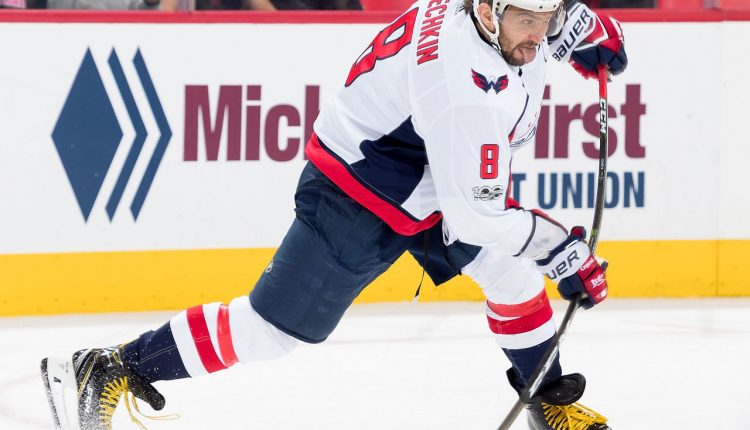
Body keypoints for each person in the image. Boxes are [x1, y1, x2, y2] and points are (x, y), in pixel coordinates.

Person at [40, 0, 627, 429]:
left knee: (512, 276)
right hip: (360, 192)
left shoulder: (498, 20)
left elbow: (549, 26)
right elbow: (477, 216)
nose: (538, 34)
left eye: (547, 17)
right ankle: (107, 368)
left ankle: (547, 400)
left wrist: (581, 27)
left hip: (427, 175)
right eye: (527, 19)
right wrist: (561, 250)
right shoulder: (461, 84)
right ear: (488, 12)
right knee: (268, 332)